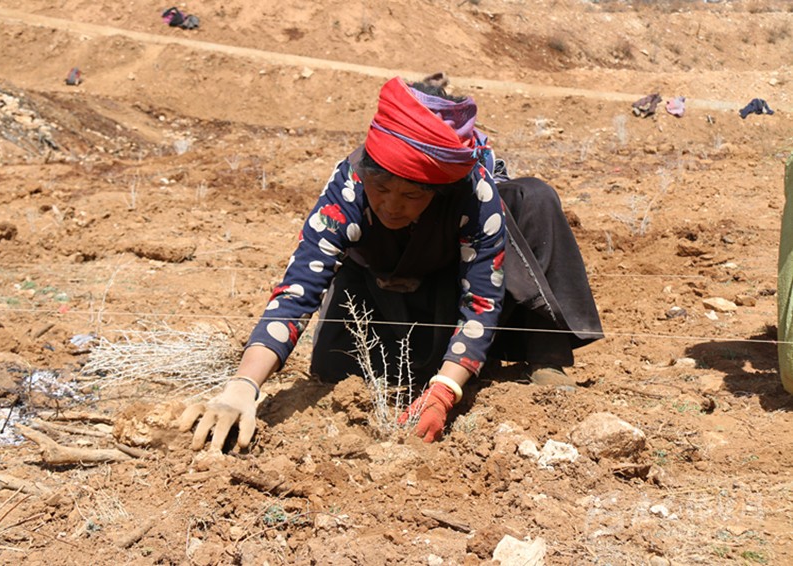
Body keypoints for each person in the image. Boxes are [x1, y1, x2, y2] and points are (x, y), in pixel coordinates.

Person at [178, 76, 603, 450]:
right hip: (373, 290)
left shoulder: (475, 195)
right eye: (380, 189)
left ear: (437, 191)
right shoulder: (348, 184)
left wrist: (445, 391)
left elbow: (481, 301)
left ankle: (523, 357)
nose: (392, 206)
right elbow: (299, 288)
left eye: (412, 195)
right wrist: (243, 386)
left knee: (532, 199)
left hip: (444, 288)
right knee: (333, 372)